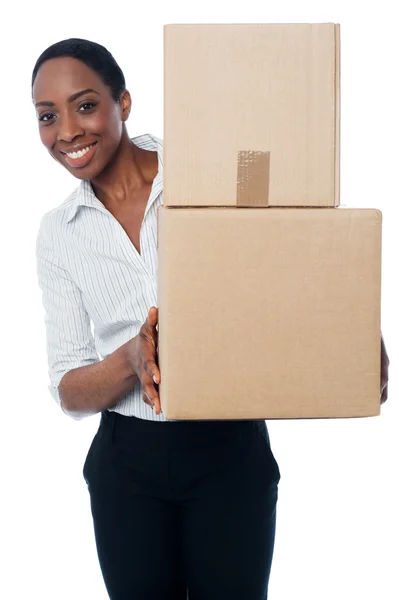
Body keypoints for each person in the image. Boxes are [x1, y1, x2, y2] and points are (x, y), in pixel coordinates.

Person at [33, 38, 389, 600]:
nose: (68, 132)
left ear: (123, 102)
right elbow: (69, 390)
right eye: (47, 116)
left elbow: (290, 248)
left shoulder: (204, 170)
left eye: (85, 105)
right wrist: (131, 359)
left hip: (228, 454)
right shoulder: (60, 233)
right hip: (126, 467)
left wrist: (350, 333)